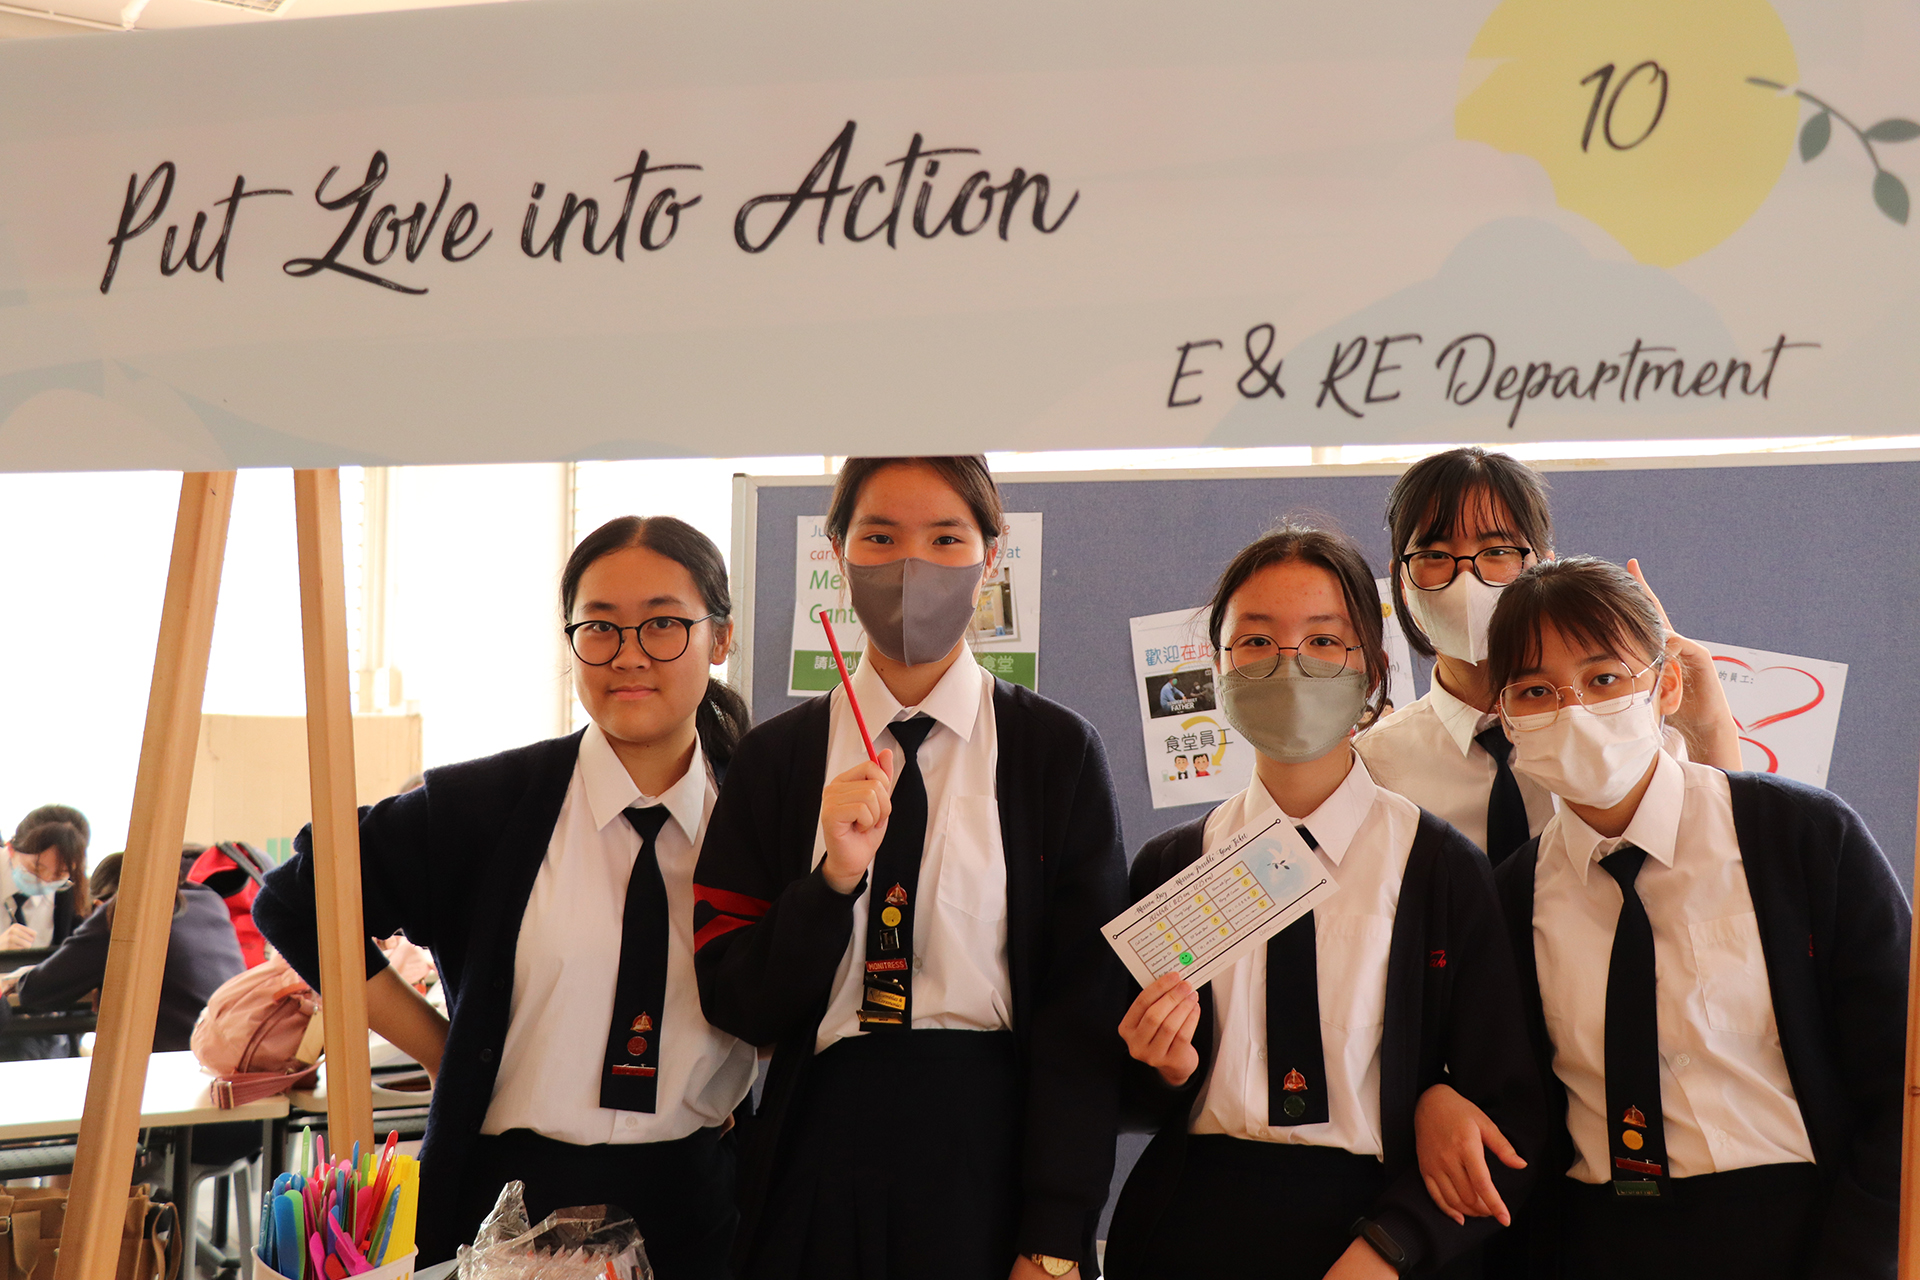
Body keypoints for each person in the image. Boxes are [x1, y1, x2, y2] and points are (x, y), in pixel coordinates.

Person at [254, 516, 757, 1273]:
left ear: (719, 639)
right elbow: (296, 900)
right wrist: (436, 1045)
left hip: (693, 1206)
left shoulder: (762, 819)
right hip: (503, 1208)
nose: (629, 656)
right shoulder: (483, 807)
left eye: (664, 626)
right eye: (600, 628)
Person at [692, 456, 1128, 1280]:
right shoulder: (778, 759)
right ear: (837, 550)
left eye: (946, 539)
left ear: (990, 558)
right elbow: (737, 998)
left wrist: (1055, 1236)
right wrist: (828, 886)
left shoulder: (1054, 752)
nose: (911, 567)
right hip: (817, 1151)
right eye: (881, 537)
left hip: (990, 1157)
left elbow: (1084, 1014)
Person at [1103, 520, 1545, 1280]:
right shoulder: (1172, 866)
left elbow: (1509, 1115)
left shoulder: (1441, 869)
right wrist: (1163, 1068)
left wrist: (1391, 1249)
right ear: (1218, 668)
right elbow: (1123, 1098)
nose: (1288, 665)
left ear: (1372, 669)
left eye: (1322, 641)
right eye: (1255, 643)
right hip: (1192, 1229)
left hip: (1376, 1238)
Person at [1461, 556, 1905, 1278]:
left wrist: (1860, 1259)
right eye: (1536, 691)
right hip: (1605, 1241)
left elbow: (1902, 1082)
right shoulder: (1510, 898)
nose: (1573, 709)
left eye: (1605, 679)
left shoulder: (1802, 838)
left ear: (1666, 685)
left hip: (1803, 1231)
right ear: (1507, 718)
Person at [1357, 448, 1742, 865]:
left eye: (1498, 551)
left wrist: (1706, 725)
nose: (1466, 577)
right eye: (1434, 556)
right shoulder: (1375, 765)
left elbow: (1723, 863)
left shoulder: (1628, 721)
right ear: (1400, 580)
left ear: (1544, 564)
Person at [3, 849, 244, 1051]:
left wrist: (20, 979)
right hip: (231, 1048)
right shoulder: (207, 898)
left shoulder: (119, 912)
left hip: (178, 1060)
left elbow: (38, 992)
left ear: (98, 903)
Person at [1, 808, 91, 953]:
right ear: (11, 849)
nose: (45, 881)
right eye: (36, 869)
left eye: (60, 874)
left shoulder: (70, 893)